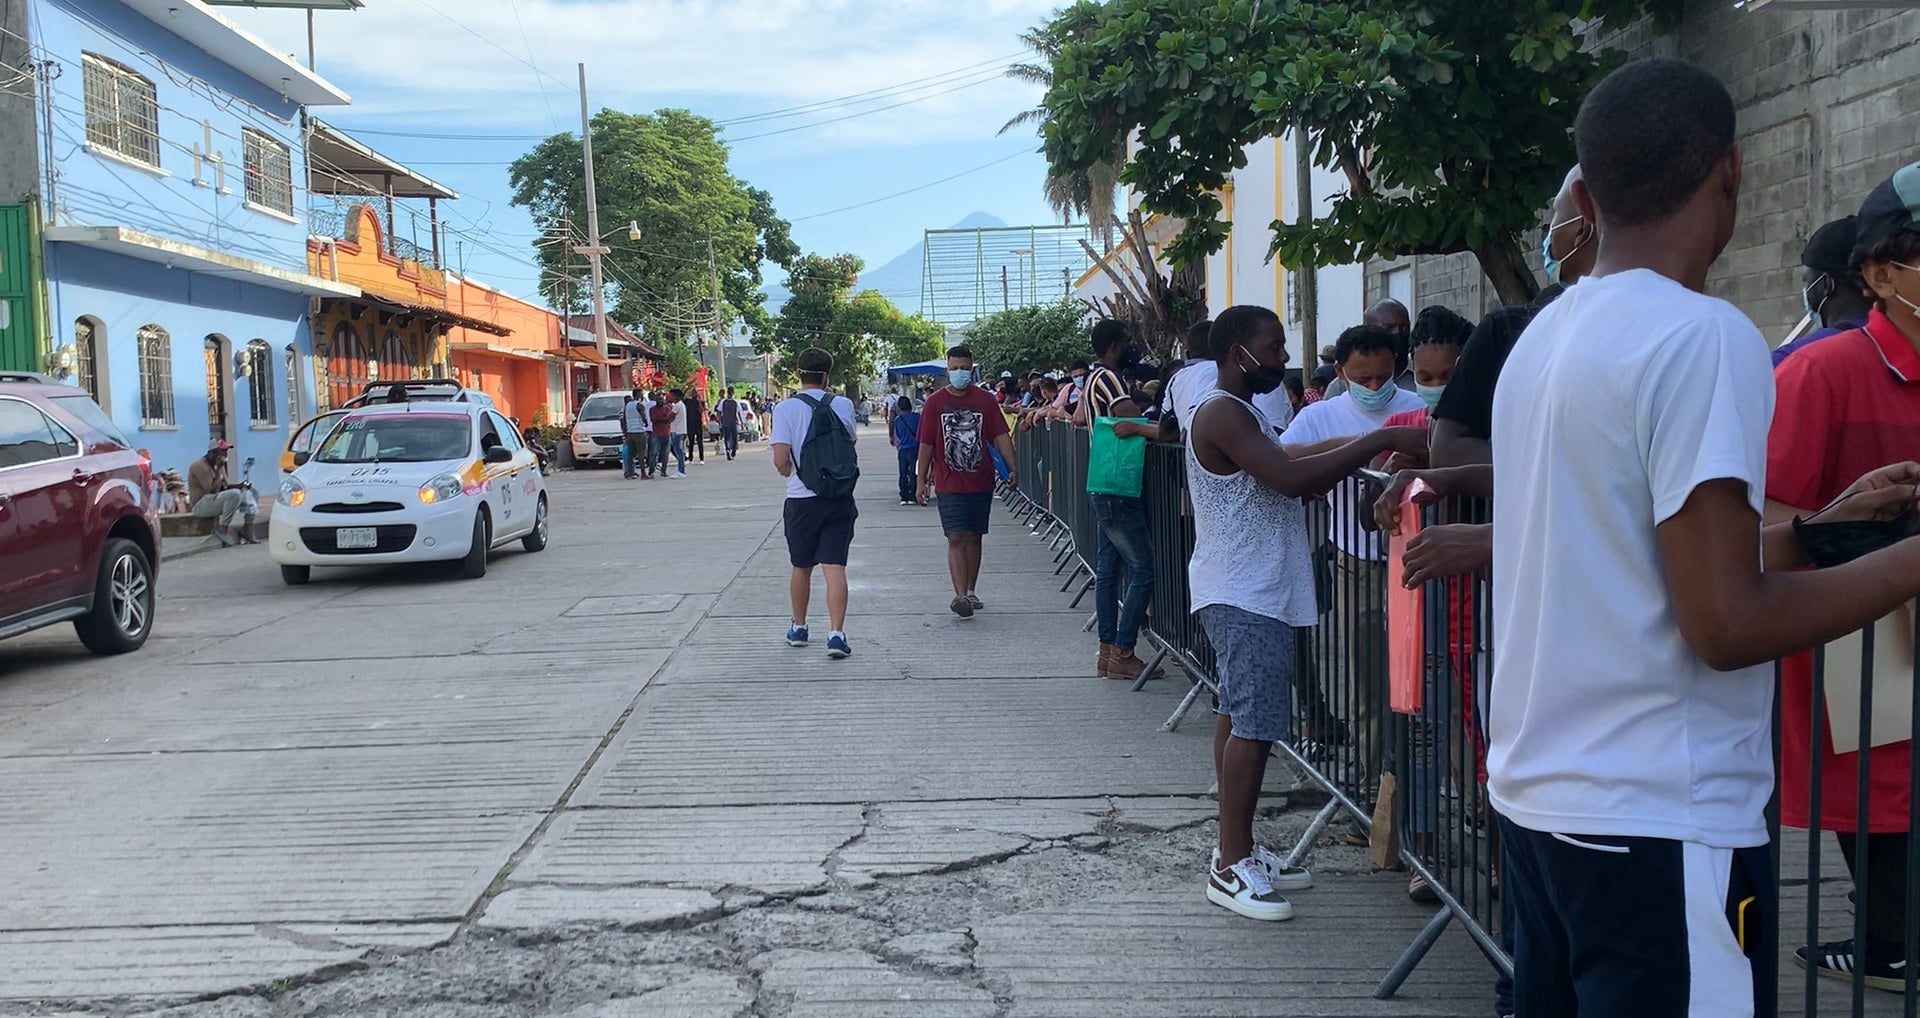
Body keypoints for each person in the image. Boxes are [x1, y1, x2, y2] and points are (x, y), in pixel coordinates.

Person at [1487, 58, 1920, 1013]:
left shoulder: (1547, 338)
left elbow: (1629, 565)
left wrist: (1819, 532)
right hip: (1660, 820)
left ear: (1588, 192)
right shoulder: (1703, 335)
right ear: (1730, 169)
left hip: (1544, 804)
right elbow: (1721, 621)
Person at [1188, 305, 1429, 922]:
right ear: (1237, 350)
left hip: (1254, 587)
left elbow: (1297, 458)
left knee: (1236, 711)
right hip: (1244, 589)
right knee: (1257, 722)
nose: (1282, 358)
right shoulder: (1220, 412)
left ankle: (1236, 849)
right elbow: (1289, 479)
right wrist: (1377, 438)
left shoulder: (1242, 413)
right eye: (1272, 348)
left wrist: (1365, 441)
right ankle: (1230, 864)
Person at [1765, 162, 1920, 990]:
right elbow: (1761, 528)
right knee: (1883, 800)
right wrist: (1853, 526)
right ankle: (1890, 942)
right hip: (1865, 648)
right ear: (1881, 273)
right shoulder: (1819, 375)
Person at [1282, 324, 1425, 796]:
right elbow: (1284, 457)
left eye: (1382, 377)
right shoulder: (1322, 416)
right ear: (1340, 372)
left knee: (1424, 670)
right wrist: (1350, 451)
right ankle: (1372, 775)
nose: (1372, 388)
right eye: (1361, 379)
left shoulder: (1415, 409)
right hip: (1356, 560)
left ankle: (1426, 775)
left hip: (1417, 561)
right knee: (1366, 677)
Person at [1075, 321, 1161, 682]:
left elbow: (1081, 417)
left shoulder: (1092, 380)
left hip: (1103, 483)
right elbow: (1128, 415)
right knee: (1143, 569)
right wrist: (1153, 420)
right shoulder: (1108, 378)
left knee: (1108, 571)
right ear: (1113, 346)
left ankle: (1108, 652)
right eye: (1127, 342)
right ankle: (1123, 651)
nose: (1131, 348)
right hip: (1118, 487)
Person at [917, 346, 1018, 618]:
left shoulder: (985, 400)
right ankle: (959, 595)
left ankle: (971, 590)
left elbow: (1001, 437)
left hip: (980, 480)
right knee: (956, 536)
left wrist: (1012, 467)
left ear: (971, 368)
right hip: (948, 483)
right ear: (947, 369)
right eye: (954, 368)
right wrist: (921, 480)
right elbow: (926, 444)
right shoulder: (935, 403)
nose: (959, 372)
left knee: (974, 536)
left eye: (964, 367)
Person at [771, 348, 859, 660]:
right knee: (835, 568)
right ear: (827, 375)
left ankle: (799, 627)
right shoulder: (843, 404)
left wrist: (792, 472)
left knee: (801, 566)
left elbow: (781, 458)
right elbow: (850, 443)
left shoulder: (785, 409)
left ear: (799, 373)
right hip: (837, 497)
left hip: (801, 499)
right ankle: (836, 634)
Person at [1772, 215, 1874, 365]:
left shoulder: (1791, 359)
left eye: (1807, 280)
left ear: (1826, 284)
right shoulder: (1904, 340)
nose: (1805, 290)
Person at [1325, 299, 1413, 397]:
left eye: (1405, 328)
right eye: (1388, 329)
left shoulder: (1423, 376)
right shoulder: (1341, 387)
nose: (1398, 333)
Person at [187, 438, 257, 546]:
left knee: (251, 492)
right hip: (201, 504)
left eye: (226, 451)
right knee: (234, 494)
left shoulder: (219, 464)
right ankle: (223, 529)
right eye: (223, 451)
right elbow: (212, 490)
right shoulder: (200, 465)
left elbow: (225, 486)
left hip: (215, 499)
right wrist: (218, 469)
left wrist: (241, 485)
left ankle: (248, 528)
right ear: (212, 453)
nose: (225, 454)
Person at [1162, 319, 1216, 441]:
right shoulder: (1216, 370)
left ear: (1187, 354)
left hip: (1189, 455)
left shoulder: (1177, 377)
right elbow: (1194, 423)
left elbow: (1164, 432)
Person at [891, 394, 920, 505]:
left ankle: (904, 496)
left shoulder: (898, 420)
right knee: (913, 472)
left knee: (903, 473)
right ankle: (912, 495)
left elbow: (896, 434)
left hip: (902, 449)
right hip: (914, 447)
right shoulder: (917, 417)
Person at [647, 389, 675, 479]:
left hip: (666, 433)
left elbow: (669, 419)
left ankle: (663, 471)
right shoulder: (652, 409)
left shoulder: (667, 408)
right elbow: (653, 420)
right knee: (653, 453)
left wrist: (661, 419)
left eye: (662, 400)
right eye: (658, 400)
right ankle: (651, 471)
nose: (660, 401)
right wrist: (663, 418)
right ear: (656, 400)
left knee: (665, 454)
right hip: (656, 434)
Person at [622, 388, 648, 480]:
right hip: (639, 432)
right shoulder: (639, 405)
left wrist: (625, 432)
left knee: (630, 454)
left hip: (630, 432)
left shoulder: (627, 405)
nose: (641, 396)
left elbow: (624, 420)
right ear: (637, 395)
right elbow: (644, 417)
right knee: (641, 454)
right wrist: (646, 423)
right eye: (640, 394)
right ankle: (643, 474)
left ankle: (630, 474)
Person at [667, 389, 690, 478]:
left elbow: (670, 417)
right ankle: (682, 467)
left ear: (676, 396)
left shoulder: (677, 406)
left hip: (677, 431)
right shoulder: (681, 405)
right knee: (677, 449)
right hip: (680, 430)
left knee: (678, 450)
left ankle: (681, 471)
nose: (670, 397)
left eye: (672, 396)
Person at [716, 387, 744, 461]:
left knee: (727, 438)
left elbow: (719, 411)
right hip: (732, 422)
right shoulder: (735, 402)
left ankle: (728, 451)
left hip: (726, 422)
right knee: (734, 438)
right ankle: (732, 451)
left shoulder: (723, 402)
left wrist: (719, 420)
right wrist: (741, 422)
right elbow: (738, 413)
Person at [684, 390, 706, 464]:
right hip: (690, 424)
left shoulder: (701, 402)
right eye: (693, 392)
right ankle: (690, 458)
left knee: (700, 442)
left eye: (695, 393)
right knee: (691, 442)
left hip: (698, 424)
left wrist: (699, 401)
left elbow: (701, 410)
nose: (694, 394)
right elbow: (682, 399)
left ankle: (701, 458)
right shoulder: (688, 401)